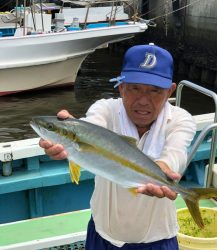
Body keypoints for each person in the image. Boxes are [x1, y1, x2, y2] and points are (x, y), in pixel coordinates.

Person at [39, 43, 196, 250]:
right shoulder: (105, 110)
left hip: (157, 239)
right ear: (121, 87)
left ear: (169, 92)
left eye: (155, 91)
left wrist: (165, 166)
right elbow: (93, 126)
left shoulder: (180, 120)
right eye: (134, 88)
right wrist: (74, 132)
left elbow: (176, 152)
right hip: (103, 236)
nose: (143, 100)